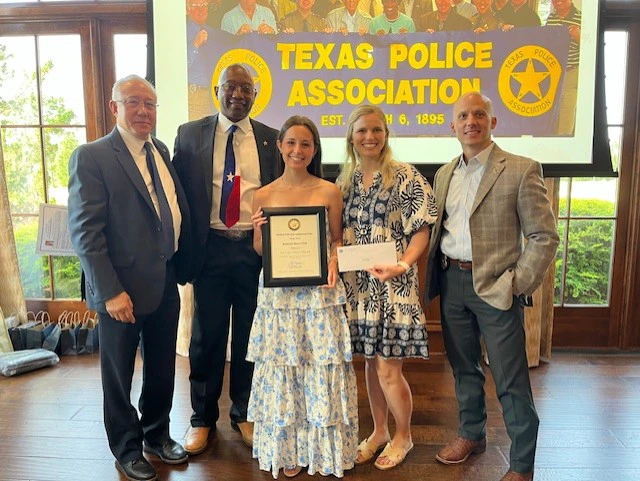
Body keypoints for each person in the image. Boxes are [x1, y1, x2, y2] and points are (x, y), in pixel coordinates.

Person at [425, 92, 559, 481]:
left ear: (492, 122)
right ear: (452, 125)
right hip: (452, 282)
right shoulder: (444, 174)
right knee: (464, 368)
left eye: (479, 114)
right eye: (463, 116)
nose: (471, 121)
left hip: (498, 287)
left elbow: (544, 236)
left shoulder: (520, 169)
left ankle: (522, 464)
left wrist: (517, 284)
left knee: (510, 378)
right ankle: (472, 434)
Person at [68, 75, 191, 481]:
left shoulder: (159, 149)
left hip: (164, 278)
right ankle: (126, 448)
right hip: (120, 290)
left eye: (150, 104)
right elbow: (85, 232)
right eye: (133, 102)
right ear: (114, 107)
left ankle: (156, 434)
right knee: (119, 375)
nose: (143, 111)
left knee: (161, 367)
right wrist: (110, 292)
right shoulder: (92, 156)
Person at [173, 63, 279, 455]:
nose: (238, 94)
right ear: (216, 90)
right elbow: (178, 194)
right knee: (207, 337)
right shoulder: (190, 134)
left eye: (246, 88)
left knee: (252, 335)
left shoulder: (271, 138)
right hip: (210, 248)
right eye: (230, 86)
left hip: (255, 249)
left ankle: (245, 413)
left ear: (255, 94)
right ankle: (202, 419)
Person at [247, 116, 359, 478]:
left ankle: (322, 451)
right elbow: (261, 250)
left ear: (314, 150)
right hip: (279, 299)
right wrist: (259, 233)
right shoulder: (263, 195)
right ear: (280, 146)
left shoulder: (329, 191)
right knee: (284, 370)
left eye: (306, 144)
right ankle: (289, 451)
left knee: (320, 367)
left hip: (319, 296)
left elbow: (337, 240)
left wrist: (334, 259)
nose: (298, 150)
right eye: (291, 142)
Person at [337, 105, 437, 471]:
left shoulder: (404, 175)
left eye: (376, 130)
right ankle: (379, 431)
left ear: (386, 135)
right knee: (370, 363)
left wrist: (404, 264)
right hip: (359, 288)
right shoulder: (344, 182)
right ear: (352, 137)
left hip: (393, 286)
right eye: (362, 130)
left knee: (388, 369)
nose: (370, 136)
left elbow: (422, 229)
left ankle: (403, 436)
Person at [546, 0, 581, 135]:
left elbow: (592, 49)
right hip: (552, 72)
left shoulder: (581, 18)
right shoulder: (551, 18)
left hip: (570, 71)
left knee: (567, 111)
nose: (557, 1)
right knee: (551, 111)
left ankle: (564, 144)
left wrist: (579, 37)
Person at [186, 0, 216, 121]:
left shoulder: (212, 32)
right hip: (196, 95)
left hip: (213, 95)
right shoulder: (181, 32)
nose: (201, 9)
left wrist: (240, 37)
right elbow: (179, 67)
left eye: (204, 5)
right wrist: (195, 45)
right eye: (196, 6)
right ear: (188, 9)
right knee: (198, 132)